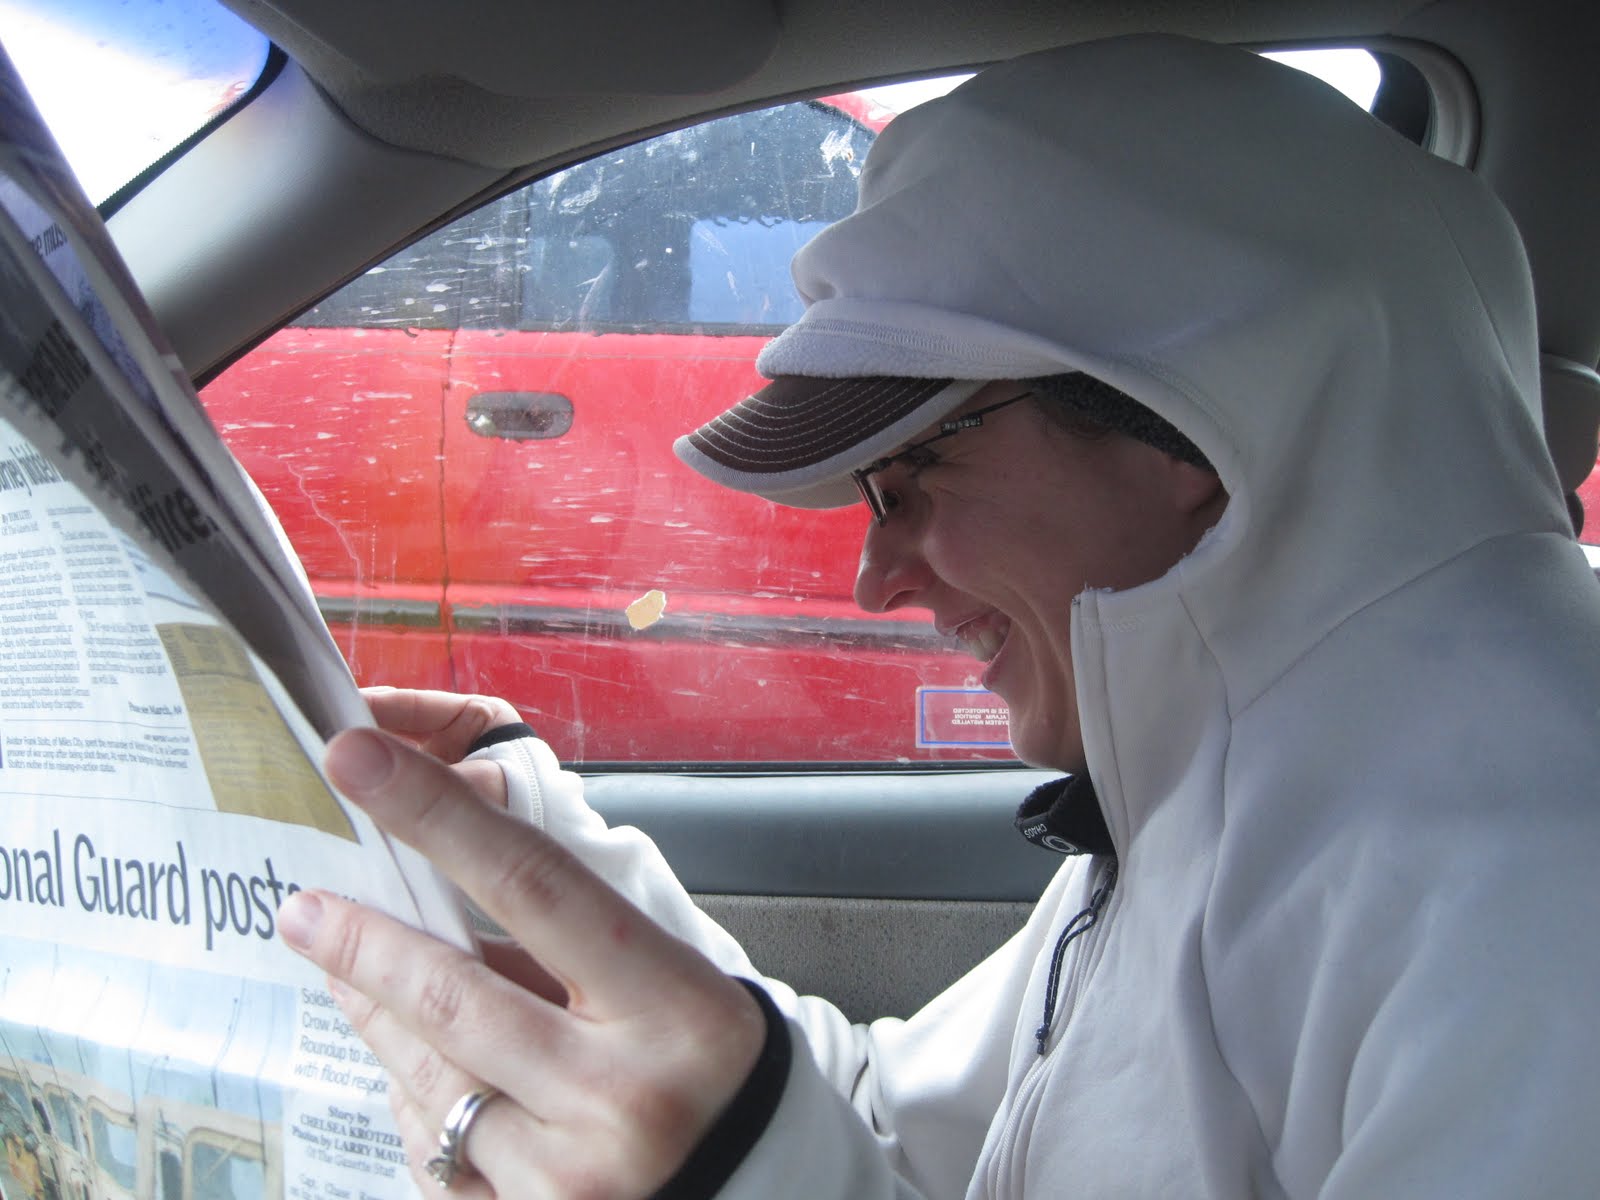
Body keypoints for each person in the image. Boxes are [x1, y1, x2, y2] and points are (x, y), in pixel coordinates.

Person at [275, 32, 1600, 1199]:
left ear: (1191, 428)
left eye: (915, 473)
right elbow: (892, 1132)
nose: (876, 576)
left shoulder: (1532, 883)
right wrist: (530, 834)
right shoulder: (1228, 776)